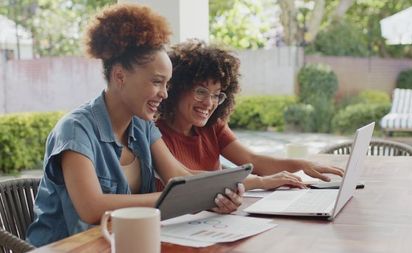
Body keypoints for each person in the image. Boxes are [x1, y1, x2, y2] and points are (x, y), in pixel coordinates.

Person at [26, 4, 242, 247]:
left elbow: (180, 176)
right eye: (157, 82)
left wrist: (220, 193)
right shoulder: (75, 130)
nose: (164, 94)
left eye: (167, 84)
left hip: (124, 243)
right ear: (120, 76)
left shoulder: (142, 125)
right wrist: (173, 200)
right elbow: (91, 207)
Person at [156, 39, 344, 191]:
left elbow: (254, 161)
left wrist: (302, 164)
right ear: (176, 88)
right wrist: (257, 182)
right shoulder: (155, 134)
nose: (209, 103)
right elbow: (184, 181)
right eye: (201, 91)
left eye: (216, 95)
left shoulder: (213, 126)